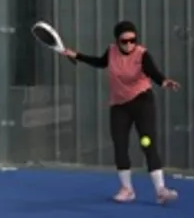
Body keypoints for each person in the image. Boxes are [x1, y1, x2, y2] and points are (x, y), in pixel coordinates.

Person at [64, 20, 181, 204]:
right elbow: (100, 62)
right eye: (124, 41)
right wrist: (76, 55)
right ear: (117, 41)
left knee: (148, 144)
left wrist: (164, 81)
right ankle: (127, 190)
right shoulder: (111, 52)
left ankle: (160, 190)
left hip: (142, 101)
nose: (129, 44)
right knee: (120, 145)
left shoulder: (142, 54)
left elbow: (153, 72)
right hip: (119, 105)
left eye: (132, 40)